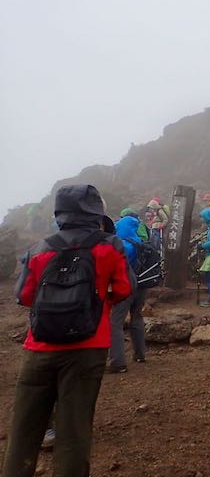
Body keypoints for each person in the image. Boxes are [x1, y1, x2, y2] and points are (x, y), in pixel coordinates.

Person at [2, 184, 133, 477]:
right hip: (88, 348)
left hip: (39, 349)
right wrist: (98, 301)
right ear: (96, 212)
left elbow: (23, 295)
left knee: (23, 430)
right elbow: (124, 289)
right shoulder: (109, 246)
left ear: (59, 212)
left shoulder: (39, 248)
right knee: (74, 431)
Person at [108, 214, 149, 372]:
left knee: (115, 323)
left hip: (126, 286)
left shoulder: (121, 245)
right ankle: (140, 354)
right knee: (136, 317)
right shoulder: (140, 242)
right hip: (142, 286)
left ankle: (117, 362)